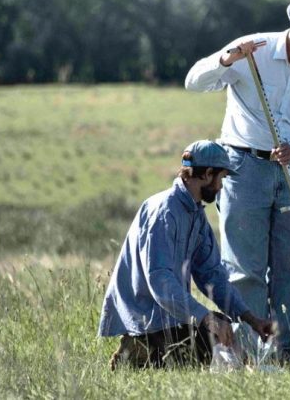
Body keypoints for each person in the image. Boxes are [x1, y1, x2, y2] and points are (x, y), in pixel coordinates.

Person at [183, 1, 290, 366]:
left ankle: (286, 358)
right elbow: (193, 81)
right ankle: (247, 358)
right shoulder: (251, 50)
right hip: (243, 168)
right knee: (244, 270)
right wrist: (225, 60)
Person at [98, 140, 274, 370]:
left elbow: (213, 276)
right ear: (207, 174)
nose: (221, 186)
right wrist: (207, 319)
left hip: (171, 316)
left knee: (222, 330)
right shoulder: (165, 212)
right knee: (208, 341)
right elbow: (160, 282)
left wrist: (251, 319)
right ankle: (136, 350)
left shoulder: (195, 214)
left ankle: (152, 353)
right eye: (220, 178)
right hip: (145, 318)